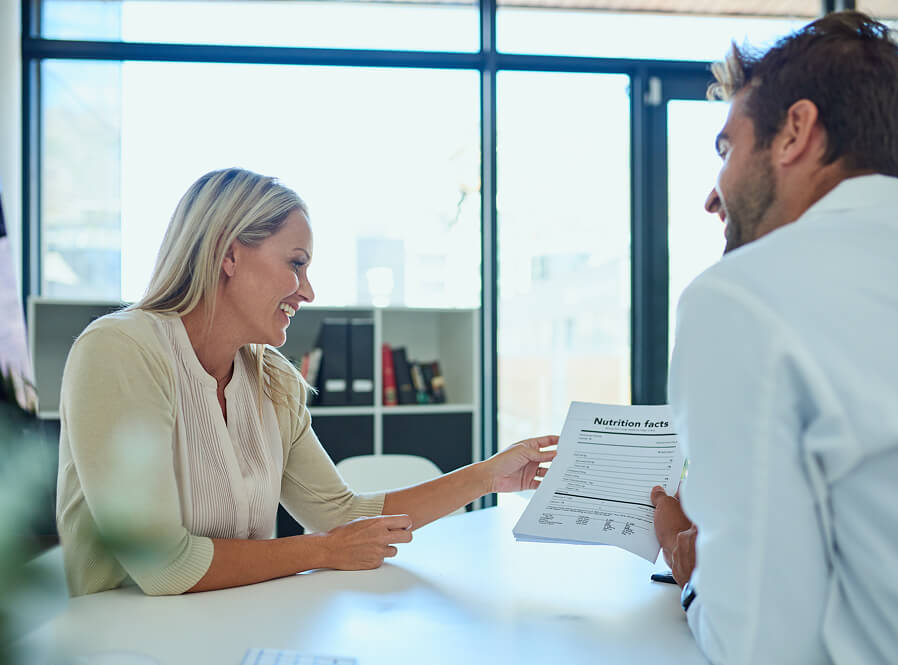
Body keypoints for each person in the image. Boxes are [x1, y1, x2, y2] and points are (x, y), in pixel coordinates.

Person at [650, 12, 898, 665]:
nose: (714, 192)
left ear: (794, 131)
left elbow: (772, 663)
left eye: (725, 147)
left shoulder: (741, 296)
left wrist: (696, 573)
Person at [56, 168, 557, 597]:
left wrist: (487, 476)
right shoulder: (120, 352)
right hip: (125, 655)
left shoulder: (274, 381)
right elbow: (163, 564)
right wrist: (322, 551)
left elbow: (341, 514)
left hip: (236, 629)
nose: (309, 291)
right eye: (296, 264)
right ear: (228, 255)